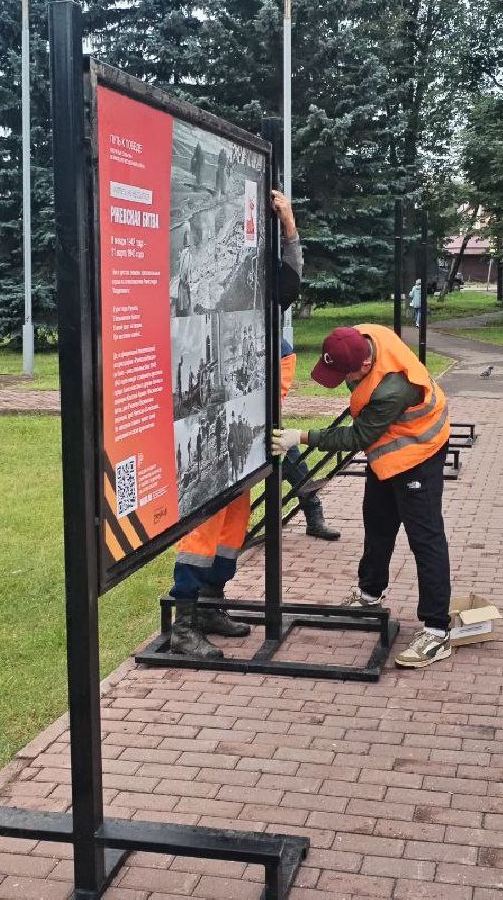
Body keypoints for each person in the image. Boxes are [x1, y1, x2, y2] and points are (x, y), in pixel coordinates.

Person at [167, 190, 338, 660]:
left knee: (234, 516)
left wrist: (289, 226)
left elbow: (290, 283)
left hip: (245, 411)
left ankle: (210, 604)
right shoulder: (199, 276)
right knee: (204, 522)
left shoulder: (254, 283)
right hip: (209, 413)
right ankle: (184, 621)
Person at [273, 322, 454, 669]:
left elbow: (357, 438)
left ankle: (436, 630)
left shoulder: (392, 389)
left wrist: (301, 436)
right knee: (378, 519)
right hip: (389, 449)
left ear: (366, 365)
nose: (341, 380)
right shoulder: (359, 336)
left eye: (344, 374)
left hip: (419, 449)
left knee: (425, 538)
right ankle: (370, 592)